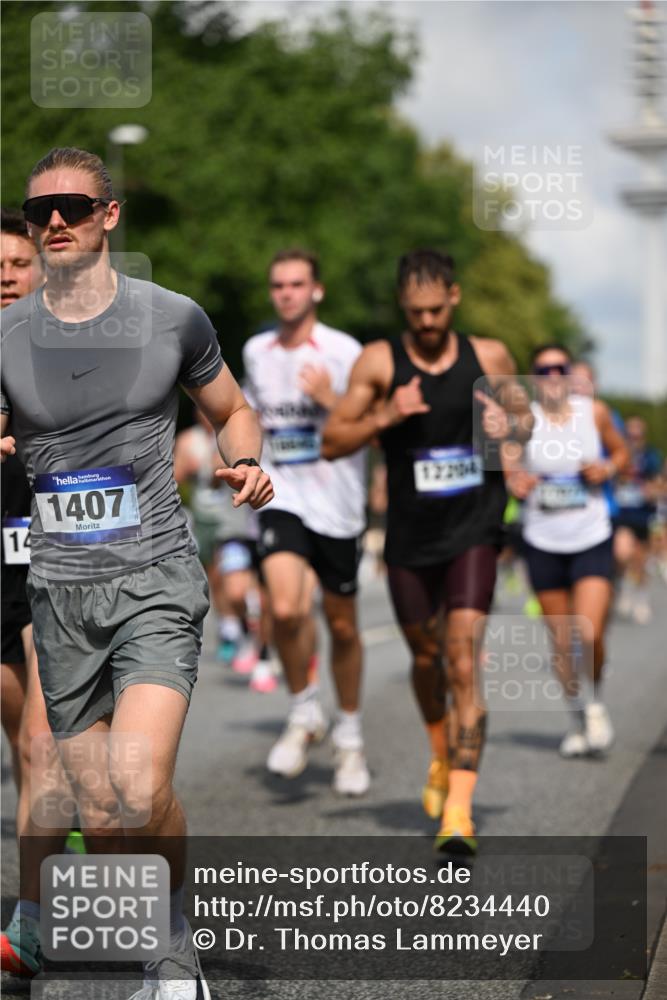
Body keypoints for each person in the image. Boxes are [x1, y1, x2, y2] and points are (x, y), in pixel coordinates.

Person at [0, 147, 273, 1000]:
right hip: (62, 598)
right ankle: (163, 923)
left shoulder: (171, 319)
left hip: (155, 576)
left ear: (108, 216)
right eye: (41, 208)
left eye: (75, 206)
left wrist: (245, 459)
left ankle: (174, 959)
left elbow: (230, 408)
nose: (55, 222)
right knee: (107, 813)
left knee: (140, 780)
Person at [322, 248, 532, 852]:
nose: (428, 324)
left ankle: (458, 814)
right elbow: (333, 440)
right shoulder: (379, 361)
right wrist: (389, 412)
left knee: (462, 660)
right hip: (412, 538)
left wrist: (507, 431)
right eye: (415, 314)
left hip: (475, 526)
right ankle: (440, 754)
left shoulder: (488, 355)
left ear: (455, 298)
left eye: (437, 311)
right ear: (401, 308)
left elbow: (524, 419)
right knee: (425, 657)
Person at [243, 248, 370, 795]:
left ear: (316, 290)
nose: (287, 294)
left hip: (338, 505)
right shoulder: (256, 350)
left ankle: (350, 736)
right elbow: (248, 415)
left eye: (297, 284)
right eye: (278, 286)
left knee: (341, 625)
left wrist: (331, 399)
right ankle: (303, 712)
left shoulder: (346, 351)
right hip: (283, 496)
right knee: (287, 607)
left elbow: (371, 422)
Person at [506, 344, 628, 757]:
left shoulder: (592, 411)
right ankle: (579, 714)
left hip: (591, 535)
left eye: (560, 368)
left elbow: (622, 452)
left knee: (589, 632)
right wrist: (515, 481)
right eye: (543, 370)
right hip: (543, 542)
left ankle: (594, 704)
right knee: (561, 643)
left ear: (569, 372)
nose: (553, 376)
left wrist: (607, 468)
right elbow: (508, 467)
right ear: (534, 377)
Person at [613, 416, 662, 624]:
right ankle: (623, 584)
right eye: (630, 433)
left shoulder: (651, 457)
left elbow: (659, 484)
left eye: (637, 433)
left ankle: (641, 596)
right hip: (623, 514)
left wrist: (650, 491)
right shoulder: (620, 453)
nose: (634, 437)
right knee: (622, 552)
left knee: (639, 561)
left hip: (643, 515)